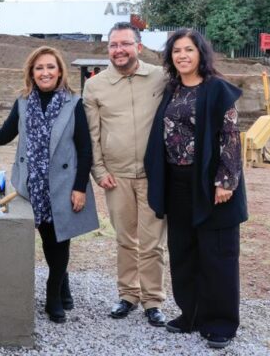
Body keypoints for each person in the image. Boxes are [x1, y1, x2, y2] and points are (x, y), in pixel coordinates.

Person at [0, 46, 98, 324]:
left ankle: (53, 294)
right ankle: (63, 282)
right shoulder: (23, 102)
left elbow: (85, 149)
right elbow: (3, 135)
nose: (45, 72)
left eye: (50, 67)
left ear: (59, 72)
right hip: (34, 185)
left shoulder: (73, 103)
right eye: (39, 68)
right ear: (31, 73)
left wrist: (80, 187)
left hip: (63, 184)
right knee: (48, 239)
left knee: (61, 240)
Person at [144, 29, 247, 349]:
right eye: (176, 51)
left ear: (201, 53)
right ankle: (191, 313)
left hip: (212, 184)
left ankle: (220, 322)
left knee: (217, 254)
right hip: (177, 183)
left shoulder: (216, 90)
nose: (182, 55)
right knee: (184, 251)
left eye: (189, 49)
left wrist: (225, 181)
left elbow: (230, 136)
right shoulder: (171, 90)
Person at [82, 21, 168, 326]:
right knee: (124, 239)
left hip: (153, 176)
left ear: (139, 47)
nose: (119, 50)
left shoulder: (160, 78)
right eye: (113, 45)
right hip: (115, 177)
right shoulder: (95, 86)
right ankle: (128, 295)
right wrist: (99, 170)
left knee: (153, 242)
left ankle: (153, 300)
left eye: (125, 44)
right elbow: (92, 133)